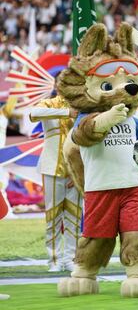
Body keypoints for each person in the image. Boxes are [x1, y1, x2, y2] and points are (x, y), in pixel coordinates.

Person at [29, 95, 83, 272]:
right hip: (52, 167)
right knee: (53, 218)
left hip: (76, 169)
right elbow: (33, 113)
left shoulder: (83, 105)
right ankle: (54, 260)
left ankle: (71, 259)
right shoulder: (50, 103)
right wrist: (67, 112)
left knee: (74, 218)